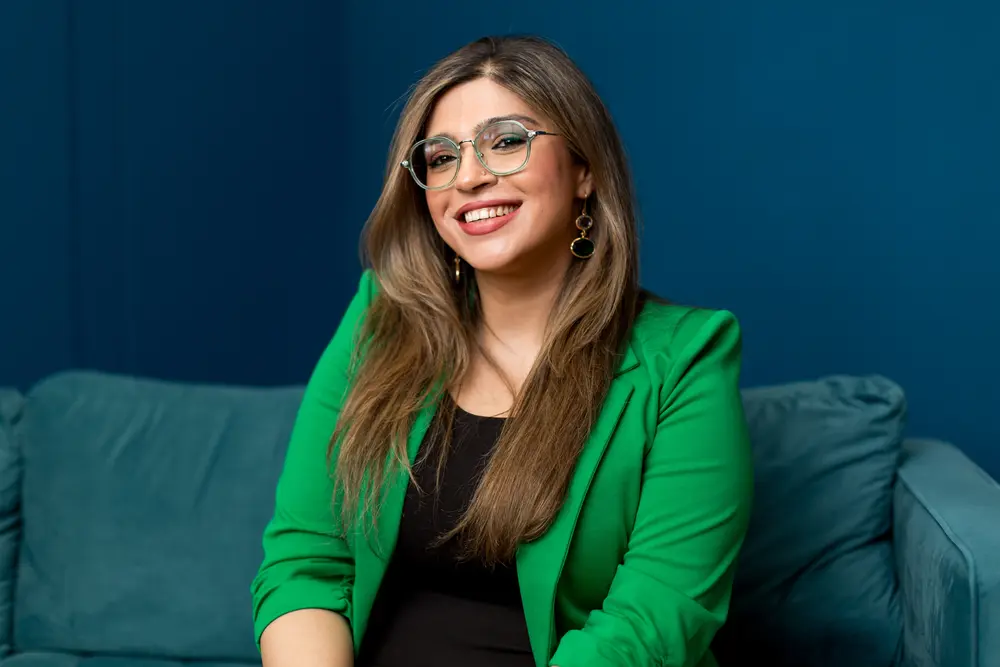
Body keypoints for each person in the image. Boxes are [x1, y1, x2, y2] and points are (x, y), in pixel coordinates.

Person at [251, 34, 754, 667]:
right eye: (440, 157)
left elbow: (654, 621)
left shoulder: (687, 357)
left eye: (507, 141)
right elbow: (305, 563)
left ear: (585, 170)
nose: (468, 177)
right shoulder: (380, 320)